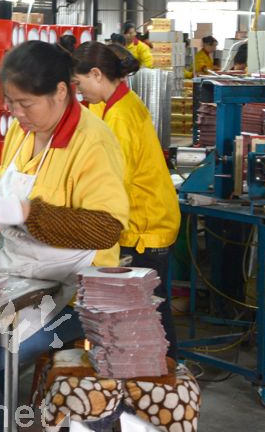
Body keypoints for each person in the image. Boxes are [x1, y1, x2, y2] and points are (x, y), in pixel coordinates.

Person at [0, 42, 129, 432]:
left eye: (25, 103)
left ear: (60, 92)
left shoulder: (92, 141)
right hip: (15, 277)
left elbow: (106, 227)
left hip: (70, 295)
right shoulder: (24, 129)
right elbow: (5, 180)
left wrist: (27, 212)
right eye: (11, 103)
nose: (16, 113)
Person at [73, 42, 181, 355]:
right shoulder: (114, 103)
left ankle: (165, 373)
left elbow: (113, 182)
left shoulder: (120, 115)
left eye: (79, 83)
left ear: (96, 74)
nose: (79, 91)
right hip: (145, 219)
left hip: (145, 226)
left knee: (149, 310)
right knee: (146, 307)